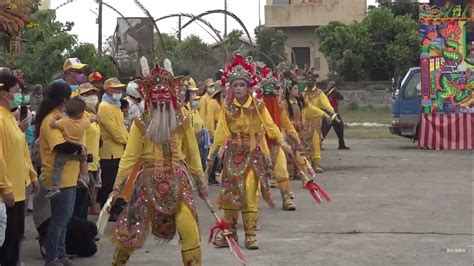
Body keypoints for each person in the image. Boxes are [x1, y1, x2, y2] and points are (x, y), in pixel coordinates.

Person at [108, 60, 207, 265]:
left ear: (172, 92)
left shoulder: (182, 119)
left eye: (164, 91)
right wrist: (117, 186)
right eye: (155, 92)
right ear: (148, 94)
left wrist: (201, 182)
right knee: (130, 232)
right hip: (146, 183)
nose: (160, 96)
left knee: (190, 232)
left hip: (178, 181)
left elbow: (193, 153)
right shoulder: (141, 121)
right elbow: (130, 157)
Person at [209, 53, 293, 250]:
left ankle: (250, 234)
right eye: (235, 85)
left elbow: (270, 126)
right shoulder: (227, 107)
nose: (238, 89)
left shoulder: (258, 105)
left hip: (252, 154)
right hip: (232, 155)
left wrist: (284, 143)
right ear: (230, 87)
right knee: (229, 194)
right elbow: (221, 131)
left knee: (248, 192)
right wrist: (211, 156)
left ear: (248, 87)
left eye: (242, 85)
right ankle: (230, 234)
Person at [37, 81, 83, 266]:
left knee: (65, 218)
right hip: (59, 177)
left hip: (68, 175)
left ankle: (61, 253)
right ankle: (52, 257)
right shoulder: (51, 120)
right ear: (64, 99)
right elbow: (61, 146)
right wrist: (81, 150)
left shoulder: (60, 117)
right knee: (59, 219)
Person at [0, 72, 39, 266]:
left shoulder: (10, 118)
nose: (20, 93)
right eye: (17, 89)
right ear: (4, 92)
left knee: (15, 237)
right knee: (6, 243)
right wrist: (5, 187)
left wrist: (32, 175)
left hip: (19, 190)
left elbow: (22, 150)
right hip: (7, 193)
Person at [258, 67, 296, 210]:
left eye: (273, 87)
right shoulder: (257, 105)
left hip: (276, 142)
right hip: (259, 144)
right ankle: (251, 212)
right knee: (256, 178)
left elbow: (285, 123)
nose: (271, 90)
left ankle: (286, 200)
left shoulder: (279, 105)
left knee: (282, 171)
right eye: (268, 87)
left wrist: (294, 138)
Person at [46, 97, 94, 199]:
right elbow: (90, 121)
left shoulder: (64, 122)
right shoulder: (84, 122)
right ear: (81, 113)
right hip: (80, 151)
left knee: (58, 167)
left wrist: (55, 118)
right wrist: (93, 118)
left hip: (67, 151)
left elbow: (52, 125)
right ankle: (83, 177)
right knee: (84, 159)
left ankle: (55, 186)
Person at [97, 78, 128, 221]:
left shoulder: (115, 105)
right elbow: (113, 131)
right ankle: (107, 209)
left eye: (119, 89)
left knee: (118, 181)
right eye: (115, 89)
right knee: (109, 182)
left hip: (119, 150)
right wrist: (126, 141)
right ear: (107, 89)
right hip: (109, 152)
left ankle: (117, 207)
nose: (118, 92)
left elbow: (121, 127)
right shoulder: (104, 107)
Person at [301, 70, 338, 173]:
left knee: (315, 141)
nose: (309, 82)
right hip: (303, 121)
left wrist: (332, 112)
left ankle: (316, 164)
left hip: (315, 121)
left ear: (314, 81)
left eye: (311, 80)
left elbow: (326, 104)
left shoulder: (319, 93)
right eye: (307, 80)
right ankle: (305, 164)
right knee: (303, 143)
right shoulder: (302, 93)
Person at [77, 83, 102, 217]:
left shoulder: (94, 114)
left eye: (93, 94)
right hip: (85, 161)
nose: (91, 97)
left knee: (92, 190)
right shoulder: (81, 115)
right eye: (87, 94)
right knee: (82, 199)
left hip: (95, 159)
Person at [322, 81, 349, 150]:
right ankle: (318, 145)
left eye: (332, 84)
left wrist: (336, 91)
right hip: (328, 113)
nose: (331, 86)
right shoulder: (325, 93)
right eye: (330, 84)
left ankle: (341, 145)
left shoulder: (335, 93)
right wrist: (328, 91)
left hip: (335, 113)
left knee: (340, 127)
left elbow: (341, 97)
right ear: (327, 85)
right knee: (324, 130)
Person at [205, 87, 223, 185]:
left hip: (221, 132)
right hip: (215, 133)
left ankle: (213, 177)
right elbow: (210, 119)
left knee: (218, 156)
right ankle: (210, 176)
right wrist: (211, 133)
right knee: (213, 156)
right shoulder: (212, 103)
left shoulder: (221, 103)